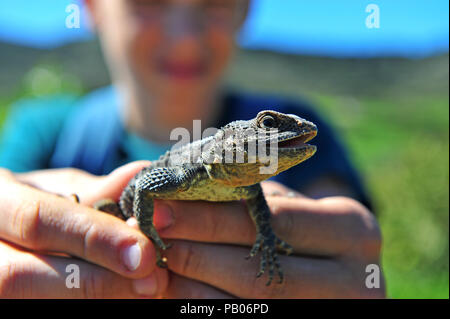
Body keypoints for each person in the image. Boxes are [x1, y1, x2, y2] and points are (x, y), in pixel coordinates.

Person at [0, 0, 384, 298]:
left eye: (213, 3)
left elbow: (294, 215)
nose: (185, 37)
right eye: (151, 2)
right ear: (90, 8)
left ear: (245, 10)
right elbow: (146, 185)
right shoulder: (44, 133)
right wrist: (144, 232)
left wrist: (346, 272)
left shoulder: (255, 178)